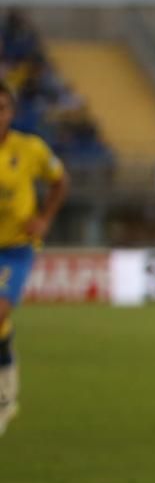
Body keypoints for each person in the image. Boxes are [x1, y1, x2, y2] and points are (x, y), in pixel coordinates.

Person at [0, 84, 67, 437]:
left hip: (15, 249)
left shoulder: (30, 149)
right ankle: (6, 391)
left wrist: (44, 218)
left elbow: (60, 181)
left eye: (2, 108)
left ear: (11, 113)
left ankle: (5, 395)